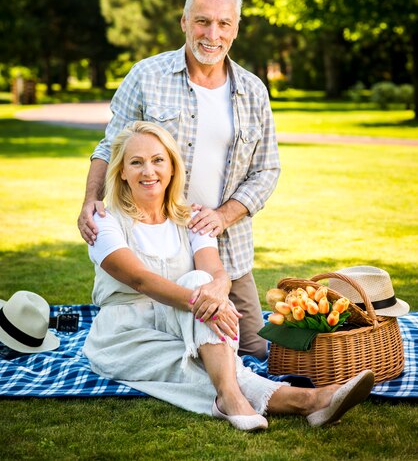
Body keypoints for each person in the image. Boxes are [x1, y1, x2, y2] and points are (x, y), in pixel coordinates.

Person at [83, 120, 375, 431]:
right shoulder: (104, 221)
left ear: (171, 167)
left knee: (201, 283)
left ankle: (235, 399)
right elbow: (140, 280)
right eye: (136, 162)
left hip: (184, 324)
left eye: (158, 160)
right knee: (199, 366)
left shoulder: (192, 217)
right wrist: (206, 301)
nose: (148, 171)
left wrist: (218, 290)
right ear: (122, 171)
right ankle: (305, 401)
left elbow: (214, 272)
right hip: (126, 334)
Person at [78, 0, 281, 360]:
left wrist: (222, 216)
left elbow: (267, 170)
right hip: (154, 248)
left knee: (257, 349)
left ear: (236, 28)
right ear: (184, 21)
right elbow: (110, 145)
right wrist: (91, 198)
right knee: (164, 345)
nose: (212, 34)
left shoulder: (253, 90)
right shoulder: (146, 76)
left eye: (224, 23)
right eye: (202, 21)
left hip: (224, 250)